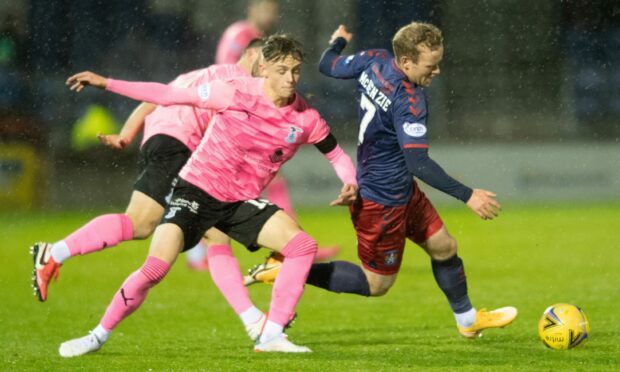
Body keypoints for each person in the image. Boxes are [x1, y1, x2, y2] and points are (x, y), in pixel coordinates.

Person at [57, 34, 358, 356]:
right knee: (155, 269)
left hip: (239, 201)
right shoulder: (232, 91)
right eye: (282, 70)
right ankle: (97, 335)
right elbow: (168, 95)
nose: (290, 79)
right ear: (265, 67)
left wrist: (349, 181)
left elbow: (337, 155)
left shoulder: (305, 118)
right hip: (198, 190)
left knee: (302, 246)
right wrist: (107, 83)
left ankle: (271, 336)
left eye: (296, 71)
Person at [244, 23, 518, 338]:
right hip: (381, 202)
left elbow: (327, 65)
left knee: (444, 246)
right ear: (406, 63)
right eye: (431, 66)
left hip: (400, 190)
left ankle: (468, 321)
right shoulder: (410, 101)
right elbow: (418, 162)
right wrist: (468, 195)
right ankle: (288, 269)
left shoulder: (375, 59)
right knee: (377, 285)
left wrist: (336, 43)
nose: (437, 71)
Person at [29, 40, 267, 302]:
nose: (267, 71)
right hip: (180, 144)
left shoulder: (199, 74)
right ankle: (54, 253)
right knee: (141, 222)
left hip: (158, 139)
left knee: (216, 233)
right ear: (252, 53)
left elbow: (151, 101)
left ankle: (255, 321)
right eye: (266, 61)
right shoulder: (239, 82)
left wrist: (125, 135)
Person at [215, 0, 278, 65]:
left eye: (273, 12)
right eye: (266, 11)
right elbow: (226, 65)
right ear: (253, 10)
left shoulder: (268, 38)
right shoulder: (239, 34)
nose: (270, 17)